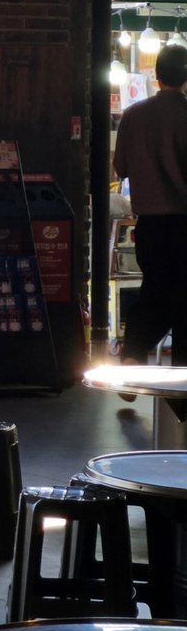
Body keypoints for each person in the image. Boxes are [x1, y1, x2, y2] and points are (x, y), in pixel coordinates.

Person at [112, 41, 187, 382]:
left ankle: (132, 353)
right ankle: (181, 380)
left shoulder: (133, 115)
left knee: (154, 289)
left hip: (150, 224)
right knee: (184, 298)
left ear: (157, 75)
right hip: (184, 222)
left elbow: (121, 167)